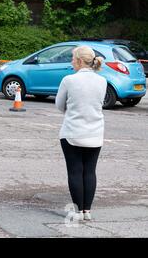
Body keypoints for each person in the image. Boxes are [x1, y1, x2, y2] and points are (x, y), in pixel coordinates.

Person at [55, 45, 107, 221]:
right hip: (95, 132)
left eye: (72, 59)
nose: (71, 62)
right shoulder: (103, 81)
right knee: (90, 171)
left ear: (78, 60)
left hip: (73, 132)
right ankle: (87, 211)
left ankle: (76, 211)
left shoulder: (69, 80)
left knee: (75, 171)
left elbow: (59, 105)